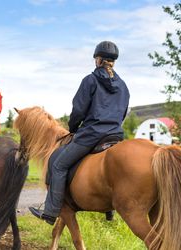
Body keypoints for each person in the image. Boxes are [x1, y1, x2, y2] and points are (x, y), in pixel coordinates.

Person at [29, 41, 130, 225]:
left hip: (92, 135)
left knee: (58, 163)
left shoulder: (90, 80)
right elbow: (123, 112)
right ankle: (109, 211)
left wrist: (74, 129)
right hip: (115, 136)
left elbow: (78, 110)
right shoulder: (123, 85)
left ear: (97, 60)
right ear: (113, 61)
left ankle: (50, 212)